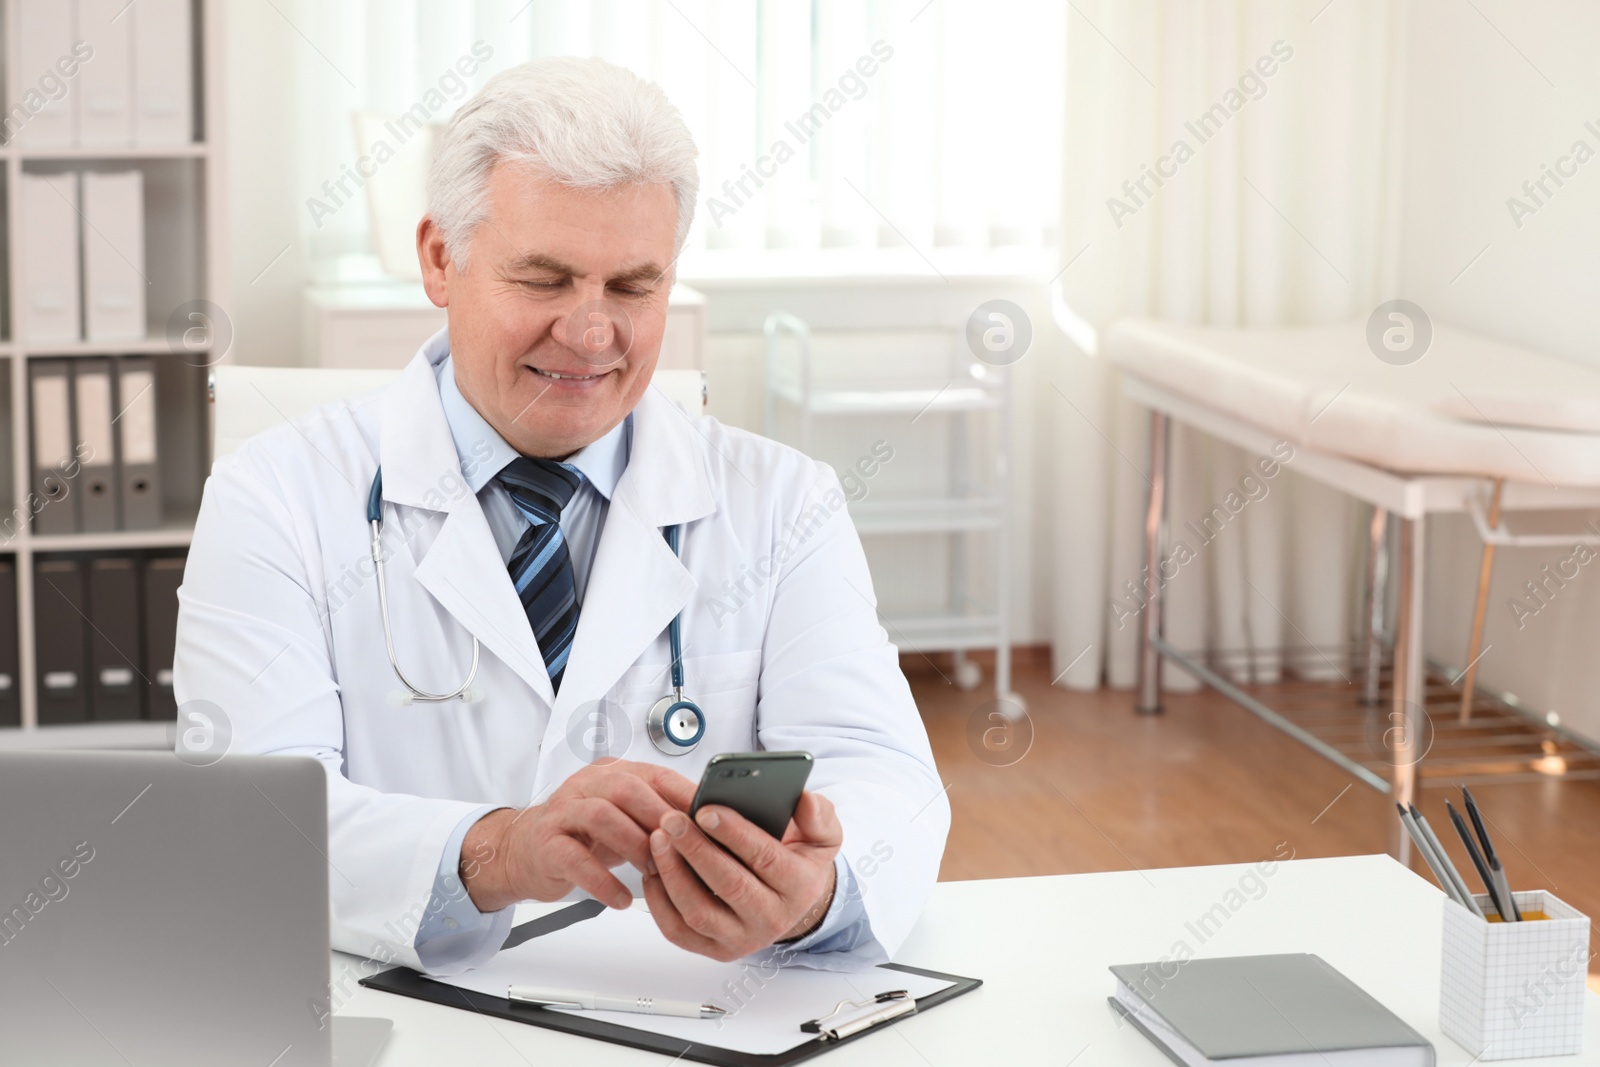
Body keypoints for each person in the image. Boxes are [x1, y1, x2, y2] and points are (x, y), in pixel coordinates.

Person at [175, 56, 948, 976]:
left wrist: (813, 891)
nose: (590, 334)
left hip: (691, 1008)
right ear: (438, 259)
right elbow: (252, 817)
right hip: (409, 1005)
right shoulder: (274, 497)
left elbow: (885, 774)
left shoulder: (783, 502)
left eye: (633, 287)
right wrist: (501, 849)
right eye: (544, 280)